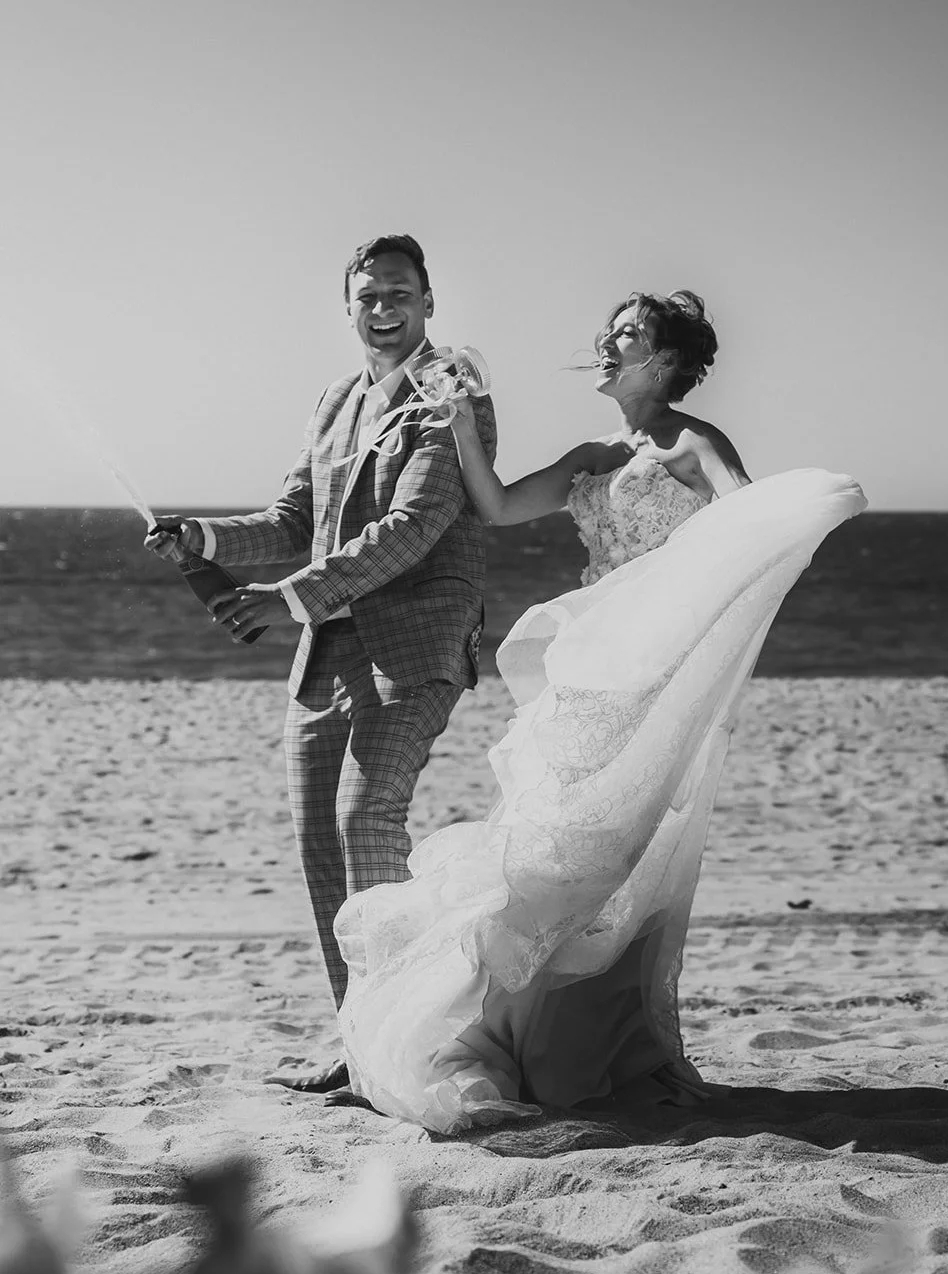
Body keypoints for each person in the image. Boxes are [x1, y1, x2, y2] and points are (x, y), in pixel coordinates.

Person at [331, 287, 867, 1133]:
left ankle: (578, 1041)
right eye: (610, 331)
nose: (607, 342)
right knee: (543, 840)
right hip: (587, 668)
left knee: (603, 856)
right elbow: (499, 506)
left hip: (650, 672)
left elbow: (746, 527)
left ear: (666, 359)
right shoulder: (593, 452)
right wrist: (462, 422)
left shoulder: (694, 442)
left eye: (628, 333)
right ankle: (510, 1031)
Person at [145, 234, 497, 1099]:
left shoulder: (453, 388)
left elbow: (413, 526)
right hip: (328, 653)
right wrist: (205, 539)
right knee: (319, 849)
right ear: (347, 308)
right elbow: (296, 515)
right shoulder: (337, 398)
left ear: (427, 302)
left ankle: (405, 1047)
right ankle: (360, 1044)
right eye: (368, 296)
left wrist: (287, 598)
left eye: (399, 293)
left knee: (364, 822)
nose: (383, 309)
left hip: (415, 646)